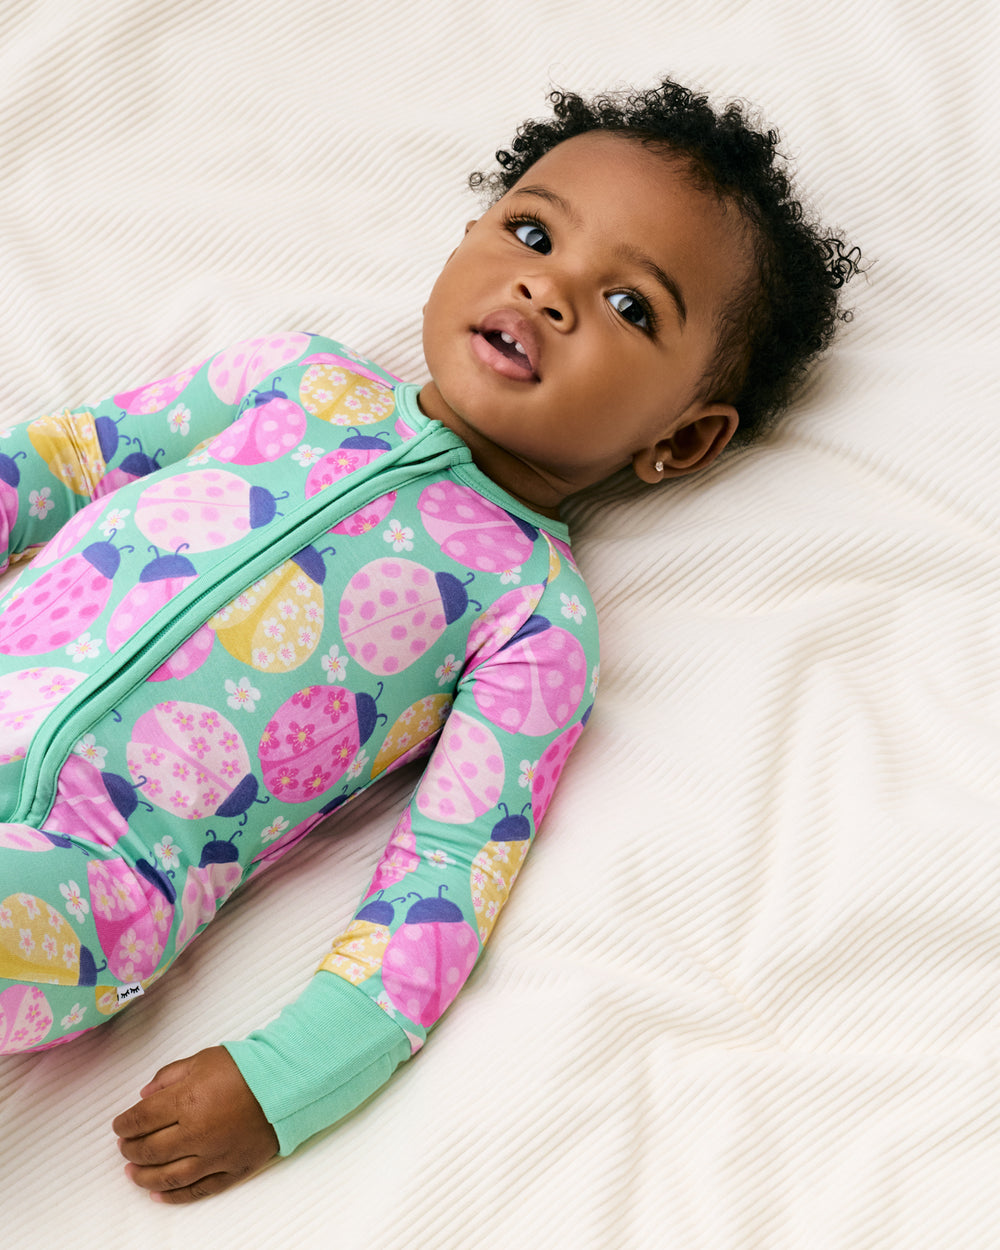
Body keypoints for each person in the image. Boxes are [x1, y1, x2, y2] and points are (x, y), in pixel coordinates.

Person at [0, 78, 860, 1202]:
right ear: (465, 242)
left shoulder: (532, 615)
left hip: (78, 879)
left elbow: (449, 870)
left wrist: (291, 1072)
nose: (548, 289)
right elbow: (70, 458)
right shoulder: (289, 379)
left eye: (631, 307)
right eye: (533, 231)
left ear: (682, 440)